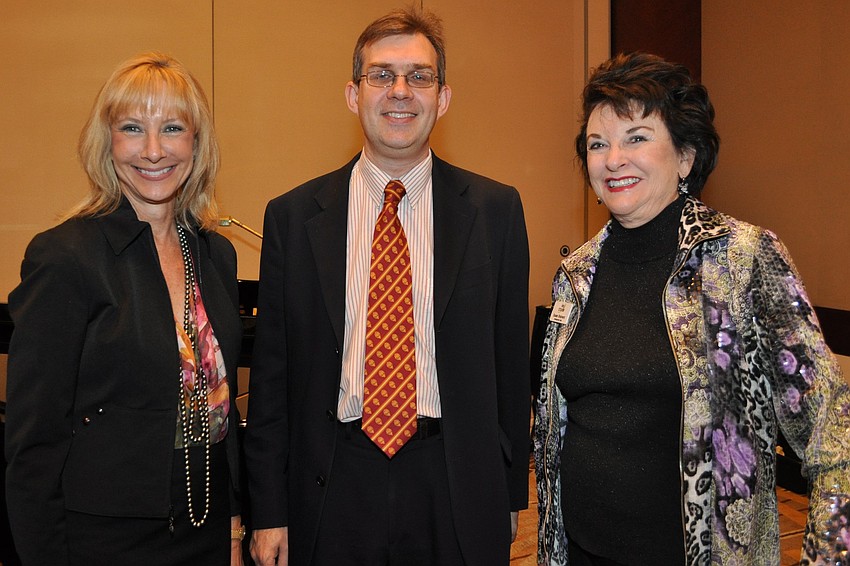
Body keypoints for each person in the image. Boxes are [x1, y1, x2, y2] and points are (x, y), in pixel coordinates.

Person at [534, 52, 850, 565]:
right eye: (598, 143)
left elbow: (834, 436)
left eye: (637, 137)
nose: (613, 158)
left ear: (686, 155)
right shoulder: (577, 275)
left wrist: (830, 556)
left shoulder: (743, 260)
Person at [243, 7, 531, 566]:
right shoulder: (293, 216)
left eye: (419, 76)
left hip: (451, 483)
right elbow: (273, 378)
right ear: (353, 94)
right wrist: (268, 509)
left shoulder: (495, 211)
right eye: (382, 75)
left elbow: (509, 366)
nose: (401, 91)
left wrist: (509, 491)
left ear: (442, 98)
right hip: (332, 483)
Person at [5, 52, 245, 566]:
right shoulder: (65, 257)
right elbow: (32, 443)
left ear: (196, 144)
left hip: (204, 530)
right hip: (103, 543)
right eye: (133, 128)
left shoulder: (213, 253)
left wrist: (235, 521)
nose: (154, 150)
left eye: (173, 127)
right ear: (107, 141)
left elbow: (222, 404)